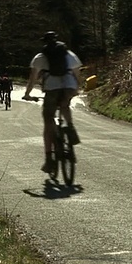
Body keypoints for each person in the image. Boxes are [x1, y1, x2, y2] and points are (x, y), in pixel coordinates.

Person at [23, 31, 82, 173]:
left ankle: (49, 160)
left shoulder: (41, 57)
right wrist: (77, 87)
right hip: (69, 86)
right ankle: (71, 129)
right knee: (65, 105)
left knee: (48, 120)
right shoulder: (68, 53)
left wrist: (27, 94)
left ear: (45, 42)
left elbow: (33, 78)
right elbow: (77, 72)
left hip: (52, 88)